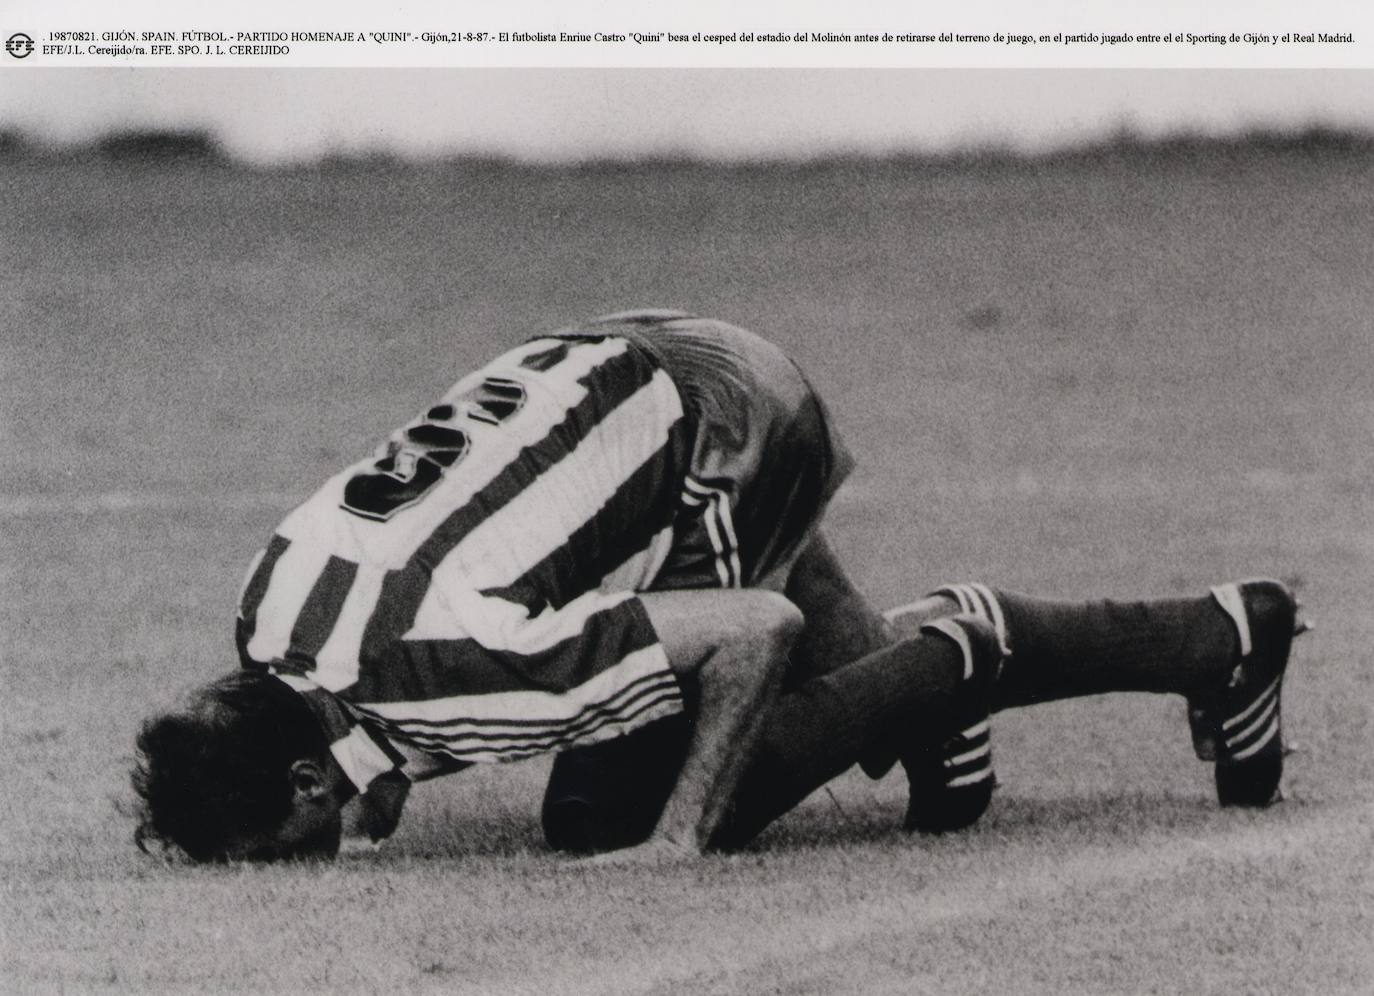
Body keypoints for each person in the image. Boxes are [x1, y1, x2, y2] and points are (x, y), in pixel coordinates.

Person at [132, 311, 1307, 863]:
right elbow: (408, 654)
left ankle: (963, 651)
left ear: (302, 773)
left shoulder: (447, 677)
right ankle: (1219, 638)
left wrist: (681, 838)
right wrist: (381, 778)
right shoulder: (267, 613)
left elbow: (754, 627)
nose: (291, 863)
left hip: (726, 428)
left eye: (276, 841)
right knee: (850, 699)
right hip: (622, 364)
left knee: (609, 819)